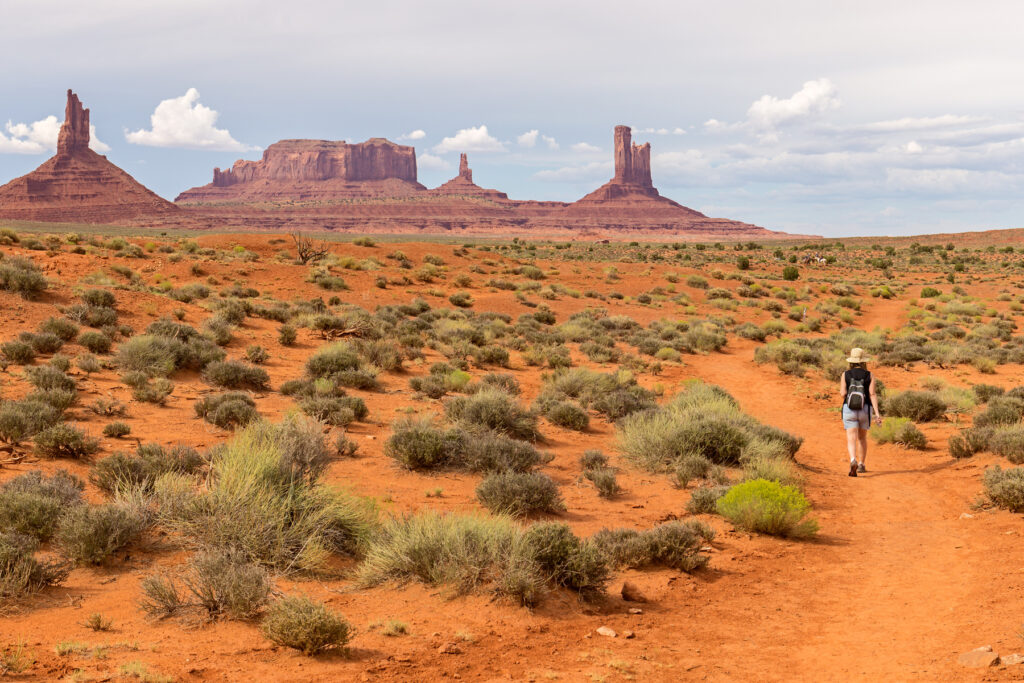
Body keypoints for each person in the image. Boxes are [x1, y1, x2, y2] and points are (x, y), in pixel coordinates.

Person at [839, 348, 882, 477]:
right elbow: (872, 394)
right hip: (865, 409)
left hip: (849, 408)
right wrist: (877, 414)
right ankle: (862, 464)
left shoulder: (845, 374)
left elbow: (843, 394)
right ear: (863, 361)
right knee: (862, 438)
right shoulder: (870, 375)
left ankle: (853, 460)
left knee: (851, 438)